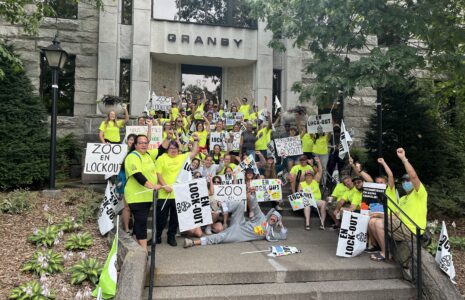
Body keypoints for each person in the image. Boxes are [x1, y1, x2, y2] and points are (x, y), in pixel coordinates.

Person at [368, 148, 428, 262]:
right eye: (404, 181)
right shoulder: (403, 198)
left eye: (408, 180)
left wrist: (404, 159)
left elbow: (414, 176)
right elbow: (396, 215)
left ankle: (385, 253)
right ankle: (382, 249)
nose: (406, 183)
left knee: (379, 223)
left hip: (413, 230)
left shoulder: (420, 194)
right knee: (373, 221)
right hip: (401, 226)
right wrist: (379, 215)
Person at [183, 186, 287, 248]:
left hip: (238, 235)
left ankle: (192, 243)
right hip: (239, 223)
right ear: (269, 216)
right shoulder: (262, 218)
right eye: (273, 216)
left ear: (276, 222)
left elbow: (283, 236)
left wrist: (281, 225)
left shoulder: (270, 233)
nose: (273, 218)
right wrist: (252, 193)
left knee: (220, 237)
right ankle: (221, 206)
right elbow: (255, 205)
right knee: (240, 204)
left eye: (275, 219)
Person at [155, 134, 200, 246]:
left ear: (178, 149)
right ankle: (158, 236)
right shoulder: (161, 158)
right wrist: (165, 186)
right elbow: (158, 173)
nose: (173, 150)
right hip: (164, 193)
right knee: (161, 218)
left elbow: (194, 152)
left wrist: (196, 140)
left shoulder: (182, 157)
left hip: (178, 194)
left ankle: (171, 237)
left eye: (175, 148)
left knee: (175, 219)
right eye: (171, 148)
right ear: (167, 149)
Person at [123, 135, 163, 253]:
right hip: (136, 196)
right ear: (135, 145)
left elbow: (161, 149)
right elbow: (137, 175)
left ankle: (138, 245)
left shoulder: (148, 155)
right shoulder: (132, 156)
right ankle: (144, 251)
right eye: (140, 143)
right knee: (142, 222)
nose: (144, 145)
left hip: (146, 196)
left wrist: (169, 137)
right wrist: (152, 186)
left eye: (145, 142)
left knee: (140, 221)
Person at [298, 157, 326, 230]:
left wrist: (319, 162)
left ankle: (322, 223)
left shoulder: (315, 181)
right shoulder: (302, 184)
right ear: (305, 176)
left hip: (316, 201)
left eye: (310, 175)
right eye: (307, 175)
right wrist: (302, 192)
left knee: (323, 203)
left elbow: (320, 171)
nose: (309, 176)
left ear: (312, 176)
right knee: (306, 205)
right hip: (307, 201)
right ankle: (307, 224)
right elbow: (298, 194)